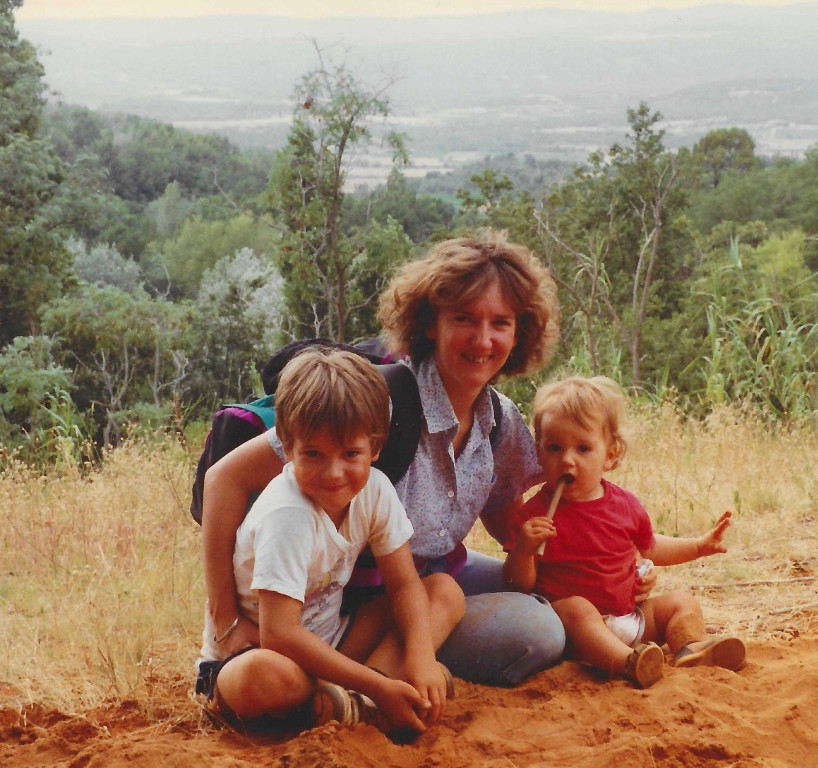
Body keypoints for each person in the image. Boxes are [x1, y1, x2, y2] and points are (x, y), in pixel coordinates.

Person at [203, 229, 574, 687]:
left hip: (434, 577)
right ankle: (381, 676)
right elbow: (224, 478)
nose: (482, 340)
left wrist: (602, 560)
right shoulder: (382, 399)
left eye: (500, 323)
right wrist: (225, 620)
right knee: (534, 632)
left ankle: (372, 680)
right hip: (350, 599)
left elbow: (508, 521)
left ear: (519, 333)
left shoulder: (500, 421)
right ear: (430, 323)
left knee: (554, 604)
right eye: (464, 319)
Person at [195, 348, 465, 738]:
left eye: (351, 453)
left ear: (375, 447)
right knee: (264, 677)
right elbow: (280, 634)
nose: (333, 472)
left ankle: (356, 700)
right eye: (314, 454)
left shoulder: (375, 489)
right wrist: (379, 685)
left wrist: (422, 656)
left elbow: (404, 583)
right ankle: (376, 693)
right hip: (262, 652)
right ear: (287, 447)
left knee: (442, 590)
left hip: (331, 642)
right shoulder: (287, 512)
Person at [502, 376, 746, 688]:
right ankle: (627, 664)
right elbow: (517, 585)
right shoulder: (533, 517)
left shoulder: (625, 505)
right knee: (577, 608)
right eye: (554, 447)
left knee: (680, 602)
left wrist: (698, 546)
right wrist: (523, 550)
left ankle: (690, 649)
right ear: (538, 453)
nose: (567, 459)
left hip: (631, 618)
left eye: (583, 448)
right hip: (576, 634)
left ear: (611, 454)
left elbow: (650, 547)